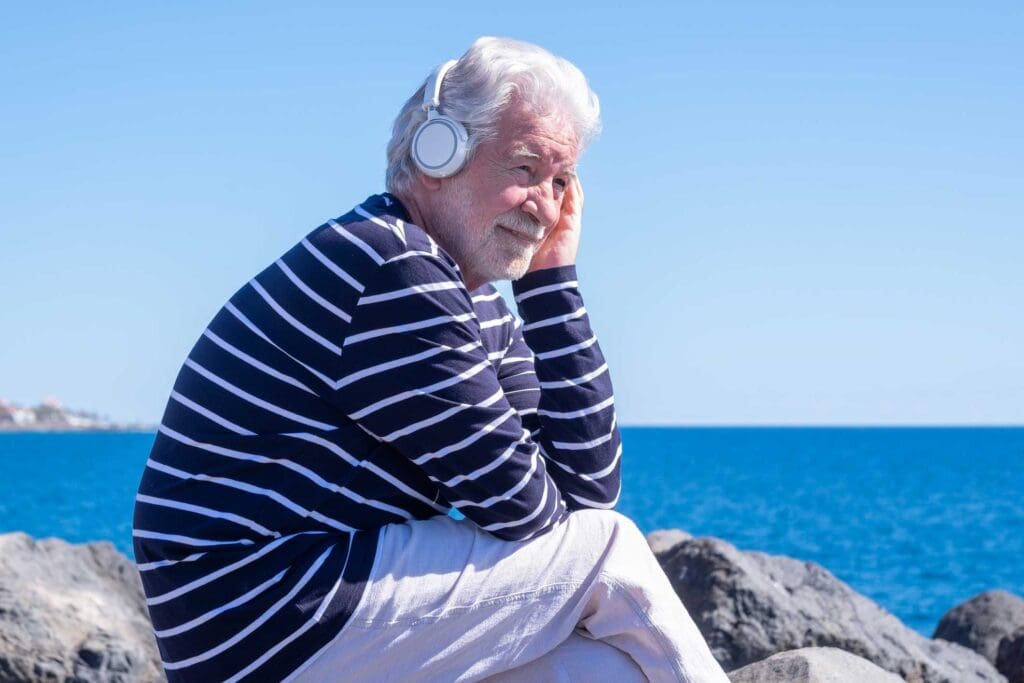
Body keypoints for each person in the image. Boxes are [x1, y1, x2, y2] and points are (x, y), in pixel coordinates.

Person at [132, 36, 728, 682]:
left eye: (561, 182)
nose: (547, 207)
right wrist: (547, 285)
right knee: (612, 552)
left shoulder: (474, 305)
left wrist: (549, 278)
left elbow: (586, 489)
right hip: (267, 611)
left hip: (290, 625)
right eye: (525, 170)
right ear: (437, 149)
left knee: (601, 669)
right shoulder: (392, 267)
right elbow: (532, 513)